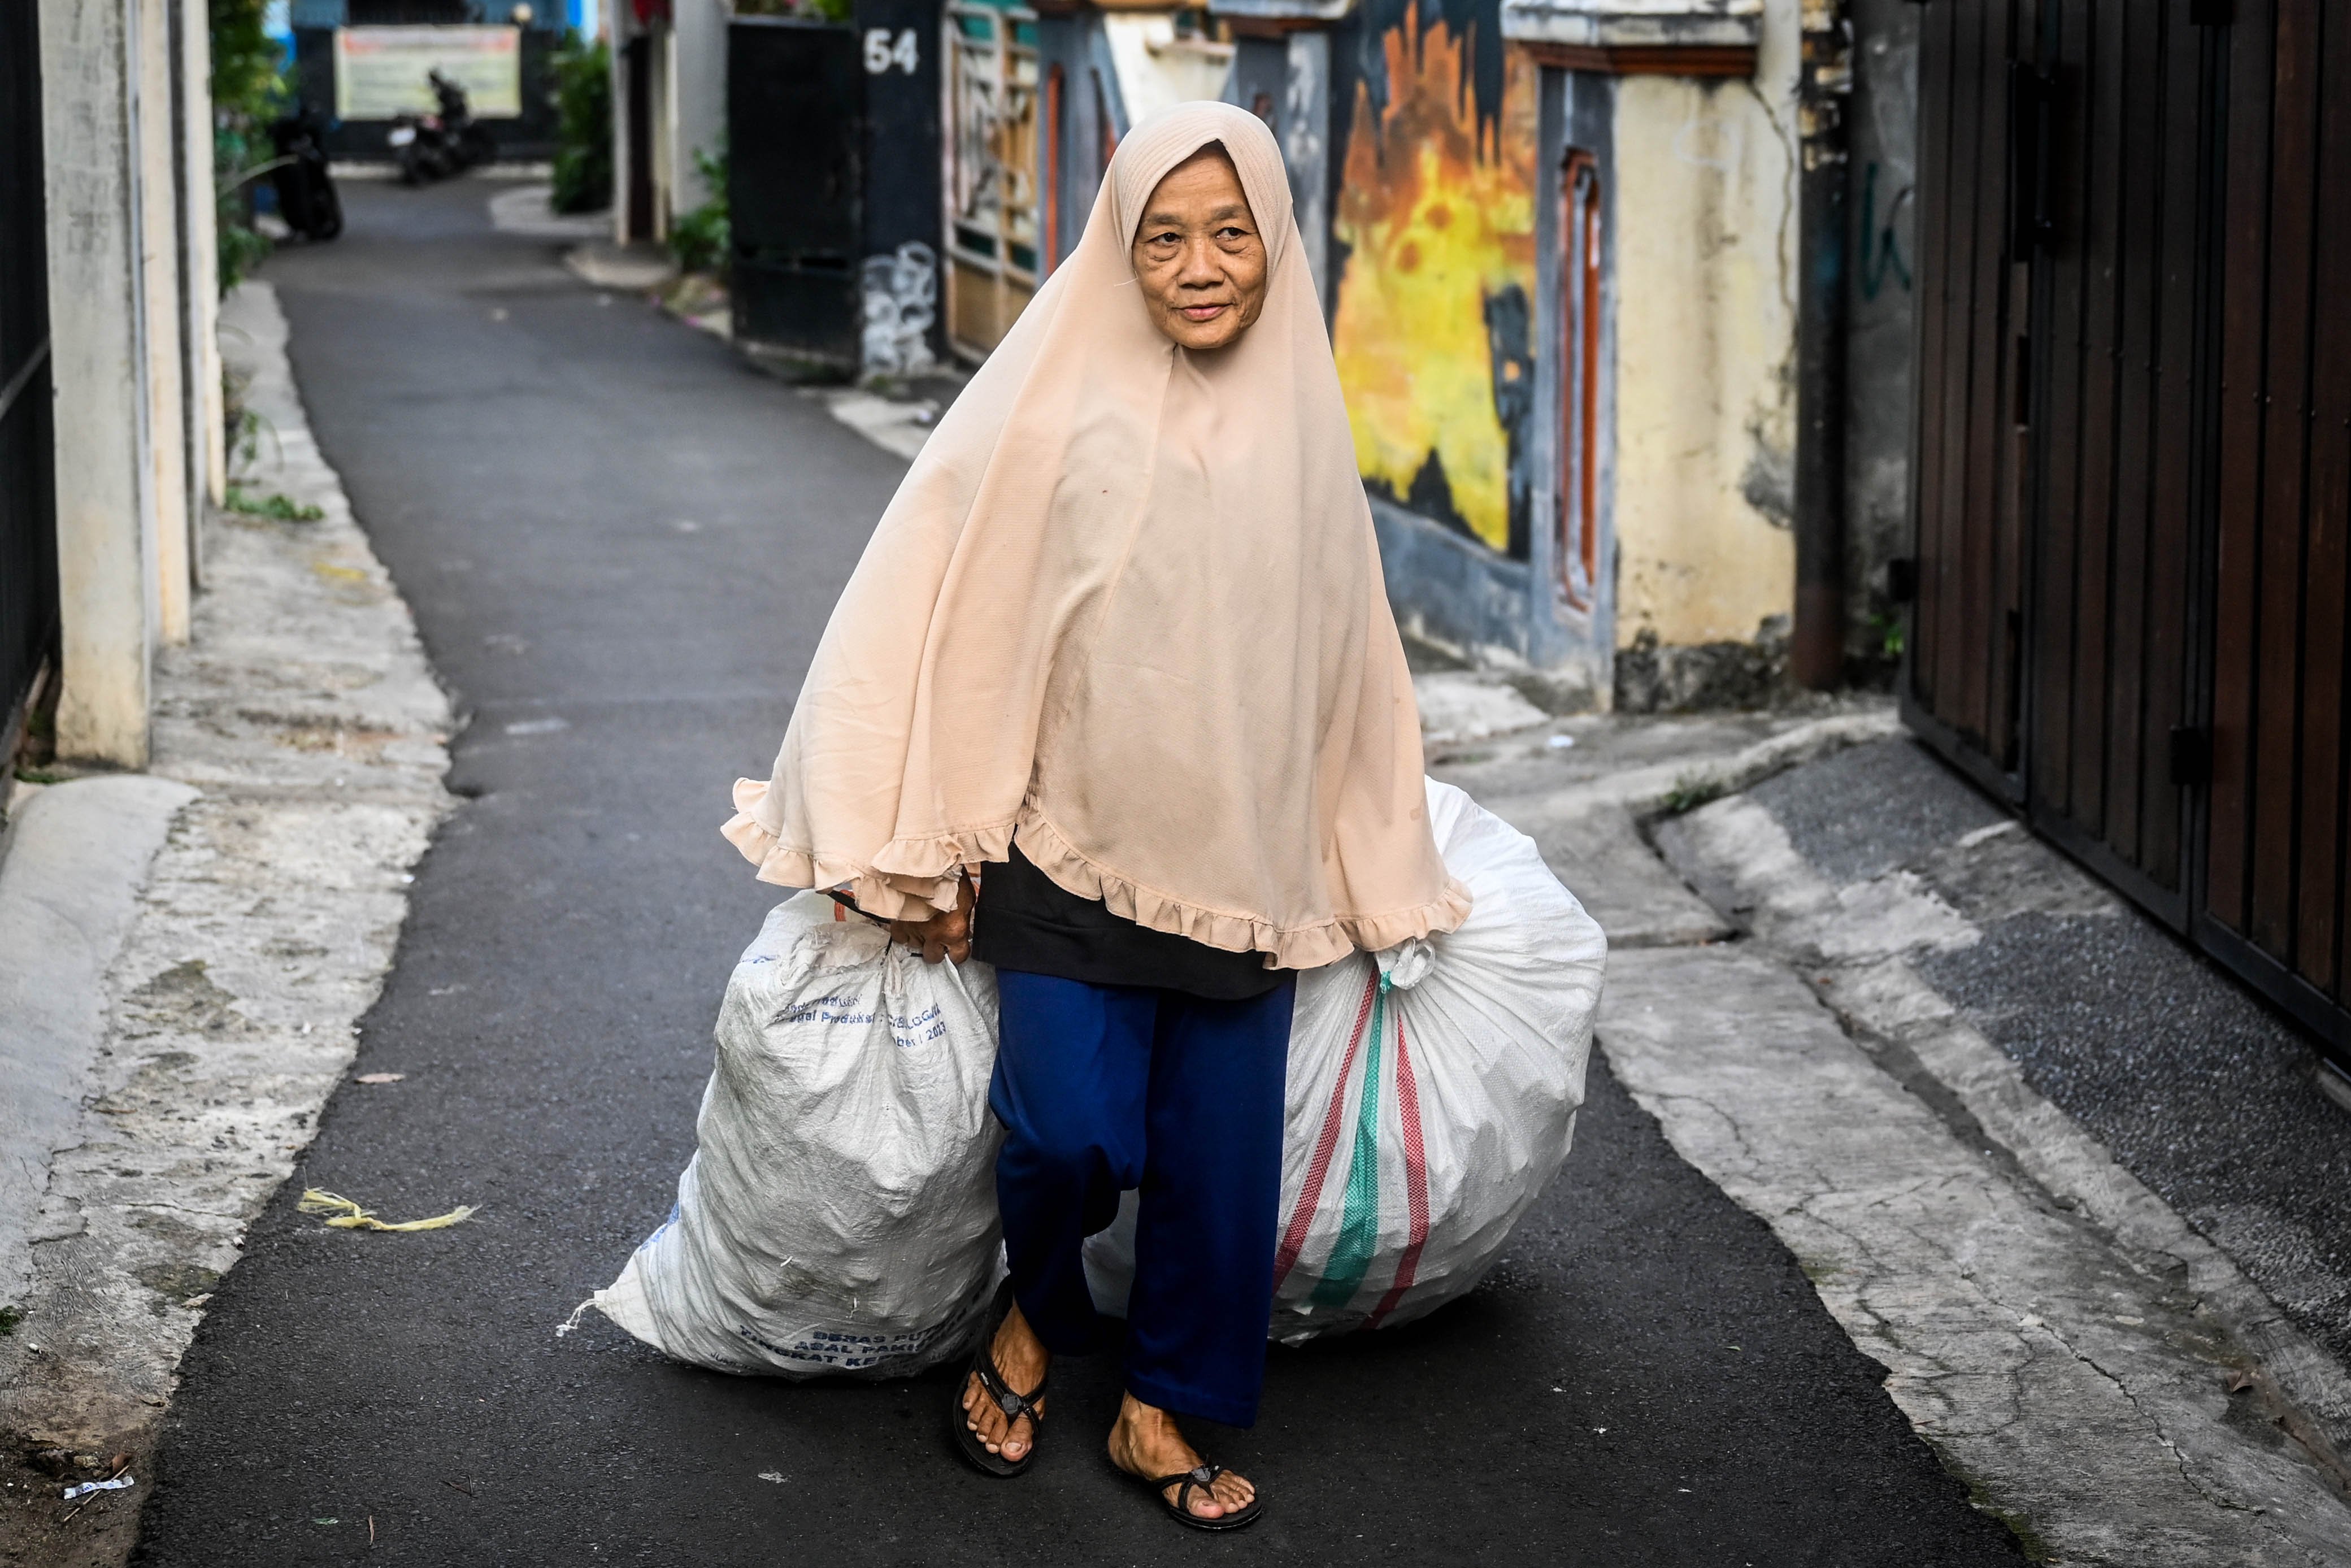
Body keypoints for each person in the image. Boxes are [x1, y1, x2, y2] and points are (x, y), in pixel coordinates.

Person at [721, 100, 1467, 1531]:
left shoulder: (1303, 413)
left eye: (1231, 234)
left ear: (1274, 243)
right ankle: (1034, 1316)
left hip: (1244, 857)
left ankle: (1159, 1403)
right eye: (1165, 237)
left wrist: (1373, 863)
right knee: (1065, 1133)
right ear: (1118, 248)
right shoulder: (1048, 394)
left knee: (1217, 1166)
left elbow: (1347, 653)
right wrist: (925, 838)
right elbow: (952, 615)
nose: (1200, 266)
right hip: (1062, 845)